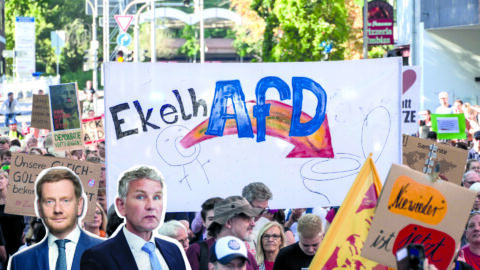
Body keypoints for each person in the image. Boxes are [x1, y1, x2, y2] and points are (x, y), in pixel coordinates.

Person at [80, 165, 188, 270]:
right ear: (121, 205)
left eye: (156, 197)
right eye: (140, 197)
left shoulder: (174, 250)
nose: (151, 206)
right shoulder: (98, 257)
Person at [8, 167, 103, 270]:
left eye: (65, 201)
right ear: (39, 207)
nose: (57, 209)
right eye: (50, 201)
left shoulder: (107, 254)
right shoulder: (20, 262)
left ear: (79, 205)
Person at [187, 196, 261, 270]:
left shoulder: (248, 256)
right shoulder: (197, 251)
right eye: (247, 219)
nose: (253, 223)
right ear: (229, 222)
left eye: (240, 265)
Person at [0, 169, 24, 267]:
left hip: (18, 242)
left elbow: (24, 219)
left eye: (1, 178)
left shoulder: (16, 198)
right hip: (2, 244)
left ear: (7, 181)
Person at [242, 182, 273, 254]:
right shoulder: (233, 226)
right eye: (257, 209)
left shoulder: (266, 224)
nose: (260, 214)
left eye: (264, 210)